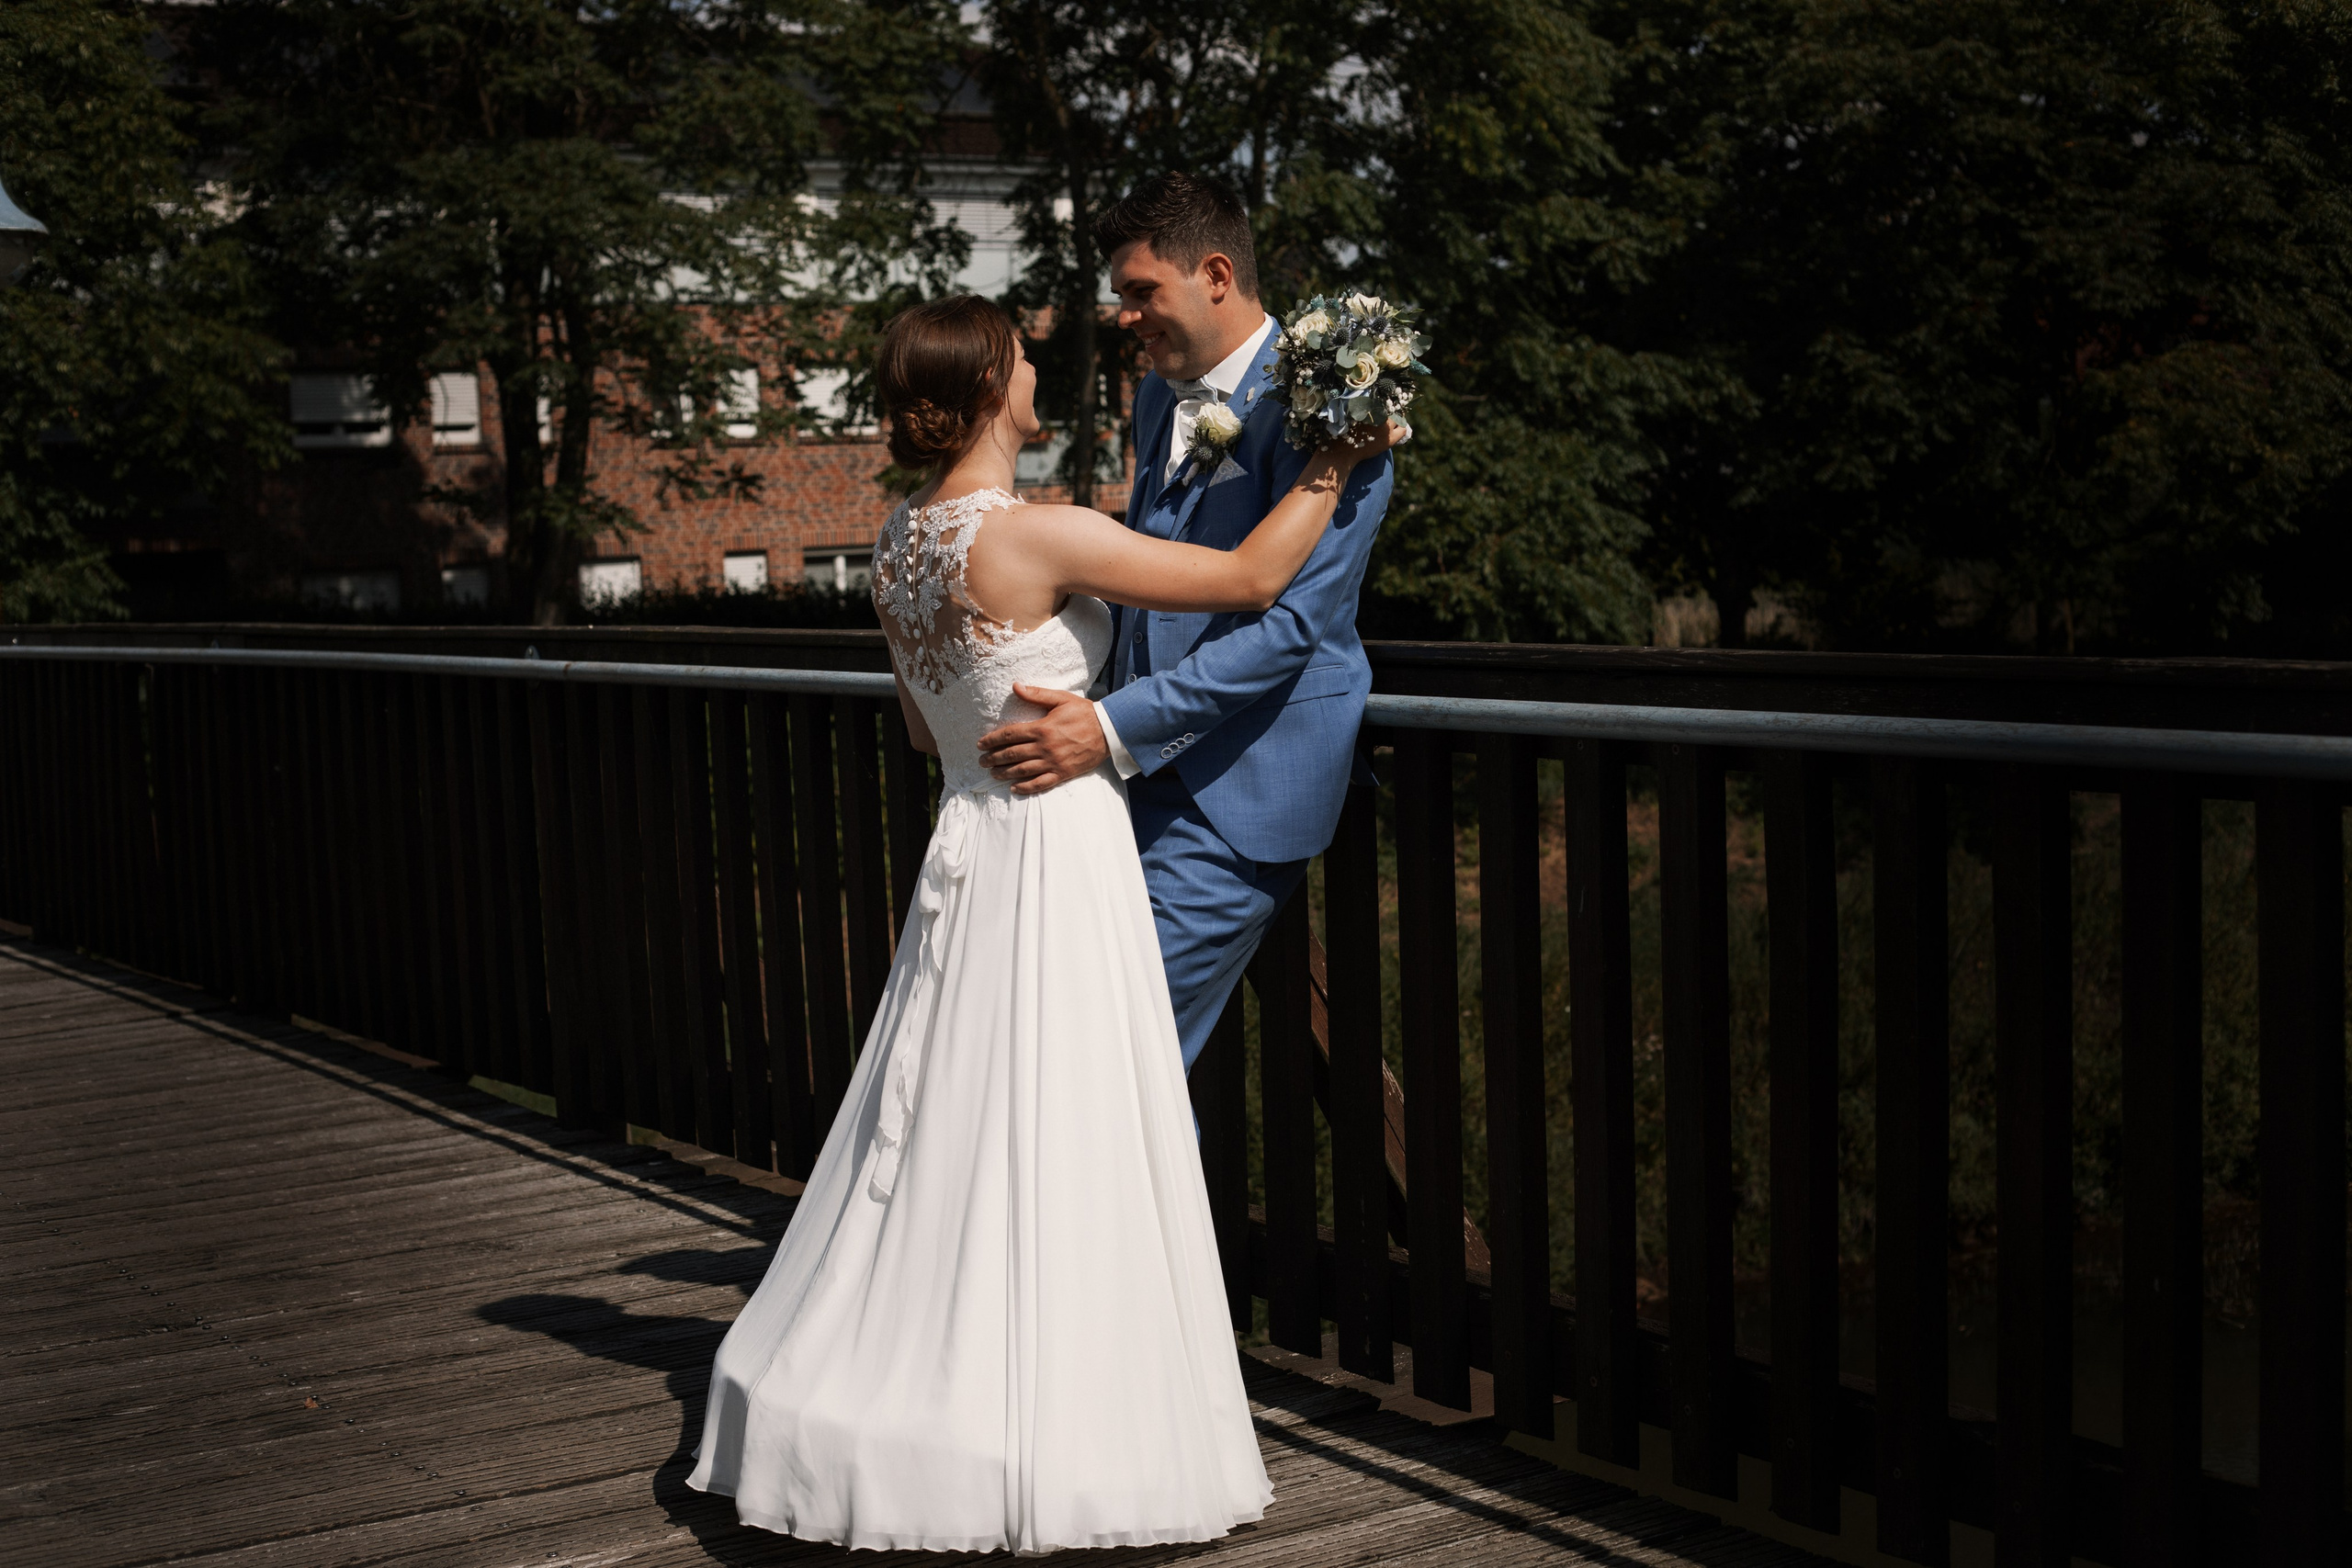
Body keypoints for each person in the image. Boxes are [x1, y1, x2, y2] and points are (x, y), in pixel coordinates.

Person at [684, 291, 1403, 1553]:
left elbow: (925, 728)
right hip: (1058, 843)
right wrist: (1339, 454)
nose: (1037, 375)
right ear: (989, 391)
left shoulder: (901, 541)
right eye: (1021, 362)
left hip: (966, 838)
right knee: (1070, 1117)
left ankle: (953, 1374)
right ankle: (1064, 1410)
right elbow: (1248, 576)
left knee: (954, 1121)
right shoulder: (1034, 533)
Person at [977, 171, 1396, 1075]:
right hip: (1120, 788)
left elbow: (1289, 628)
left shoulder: (1339, 403)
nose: (1124, 316)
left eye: (1139, 292)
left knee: (1107, 1059)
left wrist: (1108, 728)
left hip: (1236, 792)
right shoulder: (1158, 395)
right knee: (1061, 1035)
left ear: (1214, 272)